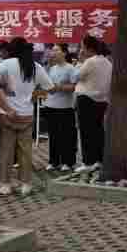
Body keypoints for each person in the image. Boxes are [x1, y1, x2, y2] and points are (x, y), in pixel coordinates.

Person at [0, 38, 54, 195]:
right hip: (27, 115)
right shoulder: (36, 66)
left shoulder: (5, 64)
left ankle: (5, 184)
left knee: (6, 150)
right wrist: (34, 95)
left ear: (12, 50)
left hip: (6, 114)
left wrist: (5, 92)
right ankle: (26, 184)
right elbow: (50, 87)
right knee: (26, 151)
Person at [74, 35, 112, 173]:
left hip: (86, 99)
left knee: (86, 132)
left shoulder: (90, 62)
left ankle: (88, 162)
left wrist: (79, 62)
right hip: (102, 101)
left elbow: (75, 77)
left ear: (88, 48)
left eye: (82, 47)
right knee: (98, 131)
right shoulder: (107, 62)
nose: (81, 50)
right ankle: (99, 160)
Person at [42, 44, 79, 171]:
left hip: (65, 107)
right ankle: (54, 161)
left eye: (56, 50)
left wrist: (59, 87)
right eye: (52, 50)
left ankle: (68, 162)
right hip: (50, 105)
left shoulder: (70, 68)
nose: (53, 52)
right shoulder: (52, 68)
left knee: (66, 136)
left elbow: (74, 86)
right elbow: (46, 84)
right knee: (53, 135)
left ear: (64, 53)